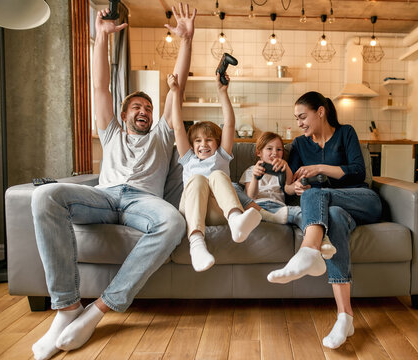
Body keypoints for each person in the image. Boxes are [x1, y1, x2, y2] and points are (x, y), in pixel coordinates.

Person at [30, 4, 196, 360]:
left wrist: (186, 41)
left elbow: (176, 88)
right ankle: (66, 309)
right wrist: (102, 37)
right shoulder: (110, 133)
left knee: (173, 222)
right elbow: (100, 85)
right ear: (123, 115)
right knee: (45, 197)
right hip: (103, 198)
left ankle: (98, 310)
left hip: (142, 201)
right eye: (137, 107)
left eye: (148, 109)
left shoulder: (163, 134)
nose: (144, 112)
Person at [266, 91, 382, 349]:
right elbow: (289, 186)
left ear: (320, 111)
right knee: (333, 216)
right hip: (335, 211)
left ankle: (308, 250)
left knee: (317, 191)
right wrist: (292, 188)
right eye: (296, 119)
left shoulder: (346, 133)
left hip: (361, 199)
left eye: (303, 116)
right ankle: (345, 316)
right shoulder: (298, 144)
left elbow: (357, 171)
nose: (300, 123)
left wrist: (319, 168)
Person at [167, 72, 261, 272]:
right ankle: (196, 243)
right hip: (192, 210)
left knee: (218, 175)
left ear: (217, 143)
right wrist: (175, 92)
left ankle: (236, 221)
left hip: (219, 211)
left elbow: (229, 124)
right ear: (192, 146)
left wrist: (222, 91)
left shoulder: (221, 156)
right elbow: (177, 127)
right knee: (199, 179)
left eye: (209, 140)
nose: (204, 144)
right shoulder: (188, 159)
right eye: (198, 141)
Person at [239, 131, 336, 259]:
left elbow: (288, 189)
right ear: (259, 152)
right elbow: (250, 196)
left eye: (279, 149)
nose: (275, 153)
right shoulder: (251, 170)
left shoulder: (284, 169)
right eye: (269, 148)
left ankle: (323, 240)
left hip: (280, 208)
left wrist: (290, 173)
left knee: (304, 213)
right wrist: (255, 178)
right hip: (257, 207)